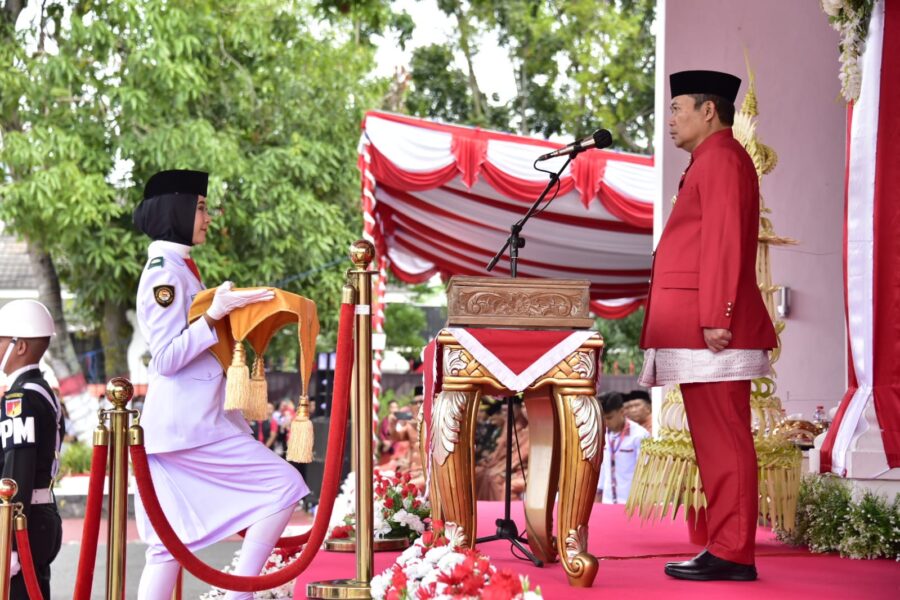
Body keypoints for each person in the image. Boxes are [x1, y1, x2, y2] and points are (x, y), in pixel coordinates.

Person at [132, 169, 309, 600]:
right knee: (284, 486)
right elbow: (167, 359)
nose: (208, 218)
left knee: (166, 548)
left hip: (183, 427)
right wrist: (215, 314)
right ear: (176, 209)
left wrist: (225, 309)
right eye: (201, 207)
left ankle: (241, 592)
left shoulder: (176, 266)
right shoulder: (164, 274)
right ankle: (241, 592)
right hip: (189, 428)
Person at [639, 70, 777, 582]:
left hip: (711, 324)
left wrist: (716, 316)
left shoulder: (721, 159)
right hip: (702, 322)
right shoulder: (711, 159)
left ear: (709, 111)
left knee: (724, 437)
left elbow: (723, 240)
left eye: (678, 108)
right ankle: (726, 545)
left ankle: (733, 551)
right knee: (714, 438)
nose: (670, 119)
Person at [0, 300, 64, 600]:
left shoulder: (20, 399)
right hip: (38, 515)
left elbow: (16, 474)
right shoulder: (41, 389)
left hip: (24, 522)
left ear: (20, 346)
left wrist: (9, 542)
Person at [597, 392, 649, 505]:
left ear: (622, 412)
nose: (605, 422)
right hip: (607, 501)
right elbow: (601, 467)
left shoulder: (640, 435)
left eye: (609, 418)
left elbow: (644, 473)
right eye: (603, 418)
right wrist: (598, 494)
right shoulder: (601, 434)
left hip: (630, 503)